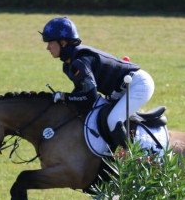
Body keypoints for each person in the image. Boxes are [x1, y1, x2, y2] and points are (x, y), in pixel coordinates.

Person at [40, 16, 155, 148]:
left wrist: (64, 96)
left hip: (137, 85)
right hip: (120, 90)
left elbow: (90, 97)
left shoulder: (80, 61)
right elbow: (81, 93)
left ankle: (130, 161)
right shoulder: (69, 65)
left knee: (113, 120)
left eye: (50, 42)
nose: (48, 48)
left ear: (63, 42)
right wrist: (65, 100)